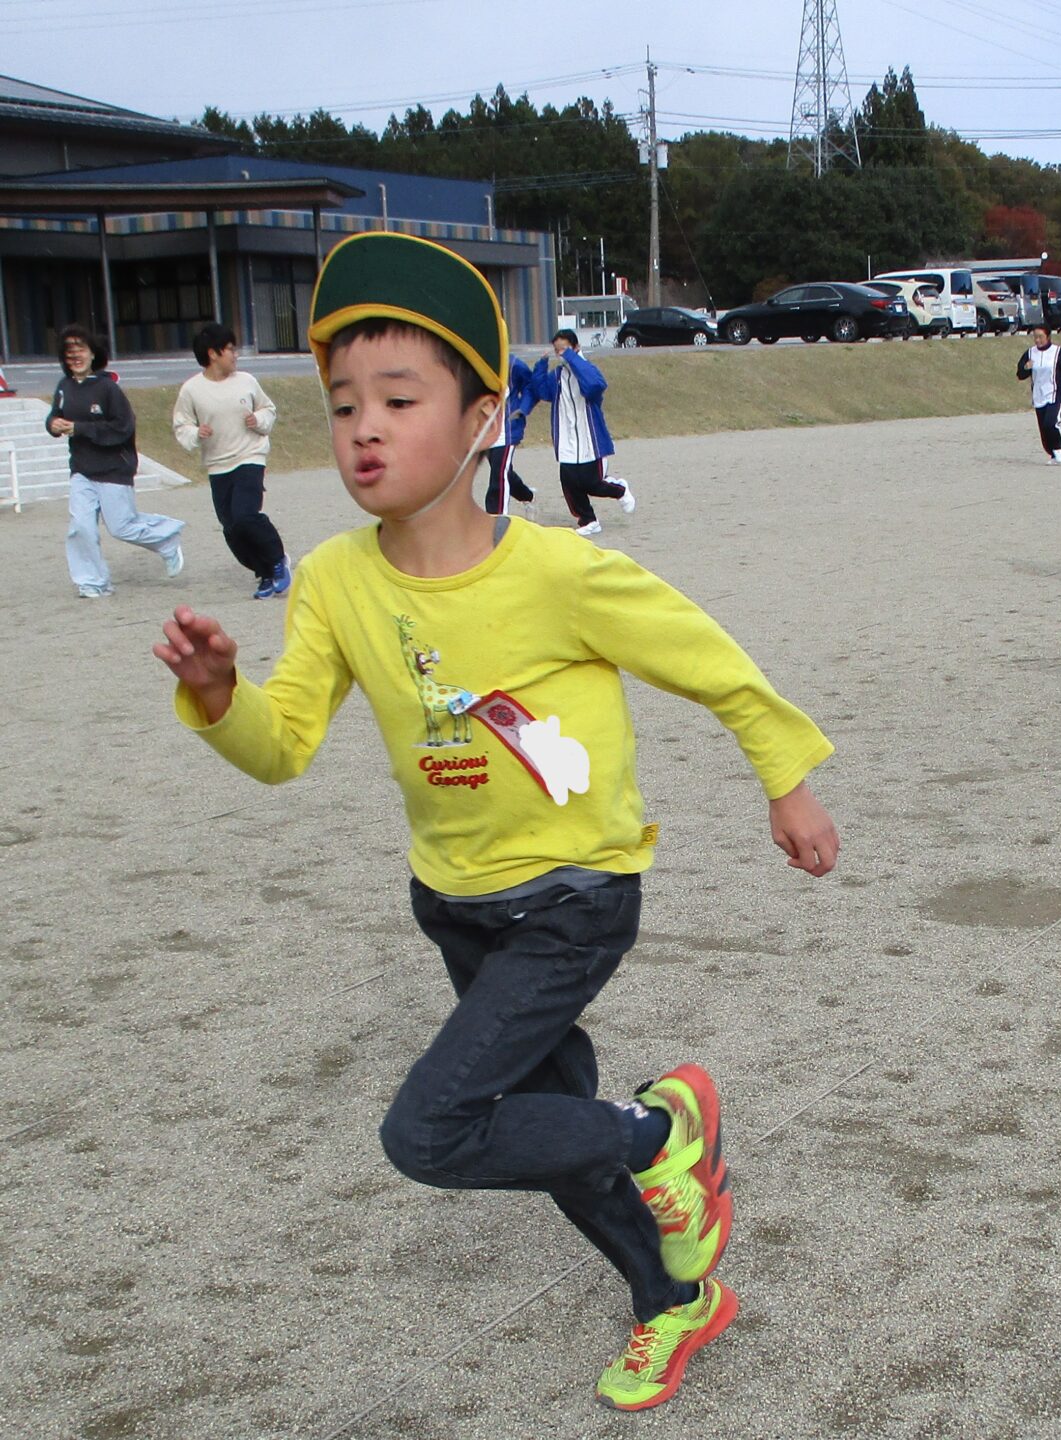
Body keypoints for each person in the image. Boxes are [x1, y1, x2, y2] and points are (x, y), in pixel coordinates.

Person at [152, 232, 840, 1411]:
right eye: (344, 404)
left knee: (431, 1132)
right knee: (548, 1126)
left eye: (398, 399)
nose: (363, 428)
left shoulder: (562, 573)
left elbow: (716, 666)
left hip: (574, 898)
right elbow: (284, 746)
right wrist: (220, 696)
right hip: (456, 906)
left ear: (484, 421)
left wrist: (786, 778)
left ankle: (661, 1135)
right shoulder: (334, 581)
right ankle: (673, 1296)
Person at [48, 322, 185, 599]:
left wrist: (80, 428)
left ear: (93, 353)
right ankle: (93, 582)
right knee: (80, 527)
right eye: (69, 352)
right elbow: (55, 415)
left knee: (122, 527)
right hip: (81, 470)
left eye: (80, 350)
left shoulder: (108, 388)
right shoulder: (64, 387)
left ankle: (166, 538)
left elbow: (123, 428)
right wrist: (52, 424)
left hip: (114, 468)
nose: (75, 356)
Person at [172, 323, 289, 599]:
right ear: (213, 354)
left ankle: (277, 560)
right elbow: (181, 425)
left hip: (250, 457)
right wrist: (196, 433)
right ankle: (264, 573)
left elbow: (268, 409)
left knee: (246, 516)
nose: (235, 355)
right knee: (232, 529)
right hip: (218, 465)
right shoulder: (191, 390)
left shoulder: (246, 381)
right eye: (230, 349)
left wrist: (257, 419)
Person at [527, 329, 632, 536]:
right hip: (567, 439)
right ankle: (588, 520)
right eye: (557, 350)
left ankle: (620, 489)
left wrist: (571, 358)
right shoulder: (557, 376)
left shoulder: (587, 369)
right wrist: (541, 366)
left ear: (576, 348)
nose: (561, 354)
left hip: (589, 437)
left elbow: (595, 386)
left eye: (564, 349)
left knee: (592, 483)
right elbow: (542, 391)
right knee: (570, 483)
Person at [1016, 324, 1061, 463]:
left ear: (1048, 337)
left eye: (1040, 337)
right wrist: (1026, 367)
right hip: (1038, 394)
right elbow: (1020, 374)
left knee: (1050, 423)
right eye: (1035, 337)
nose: (1037, 340)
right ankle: (1052, 454)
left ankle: (1058, 448)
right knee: (1043, 428)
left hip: (1055, 393)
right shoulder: (1030, 353)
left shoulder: (1057, 352)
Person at [484, 354, 538, 514]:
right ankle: (527, 496)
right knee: (503, 471)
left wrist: (523, 408)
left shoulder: (513, 364)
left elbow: (531, 386)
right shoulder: (477, 362)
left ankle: (497, 517)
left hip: (506, 429)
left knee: (498, 475)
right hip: (486, 430)